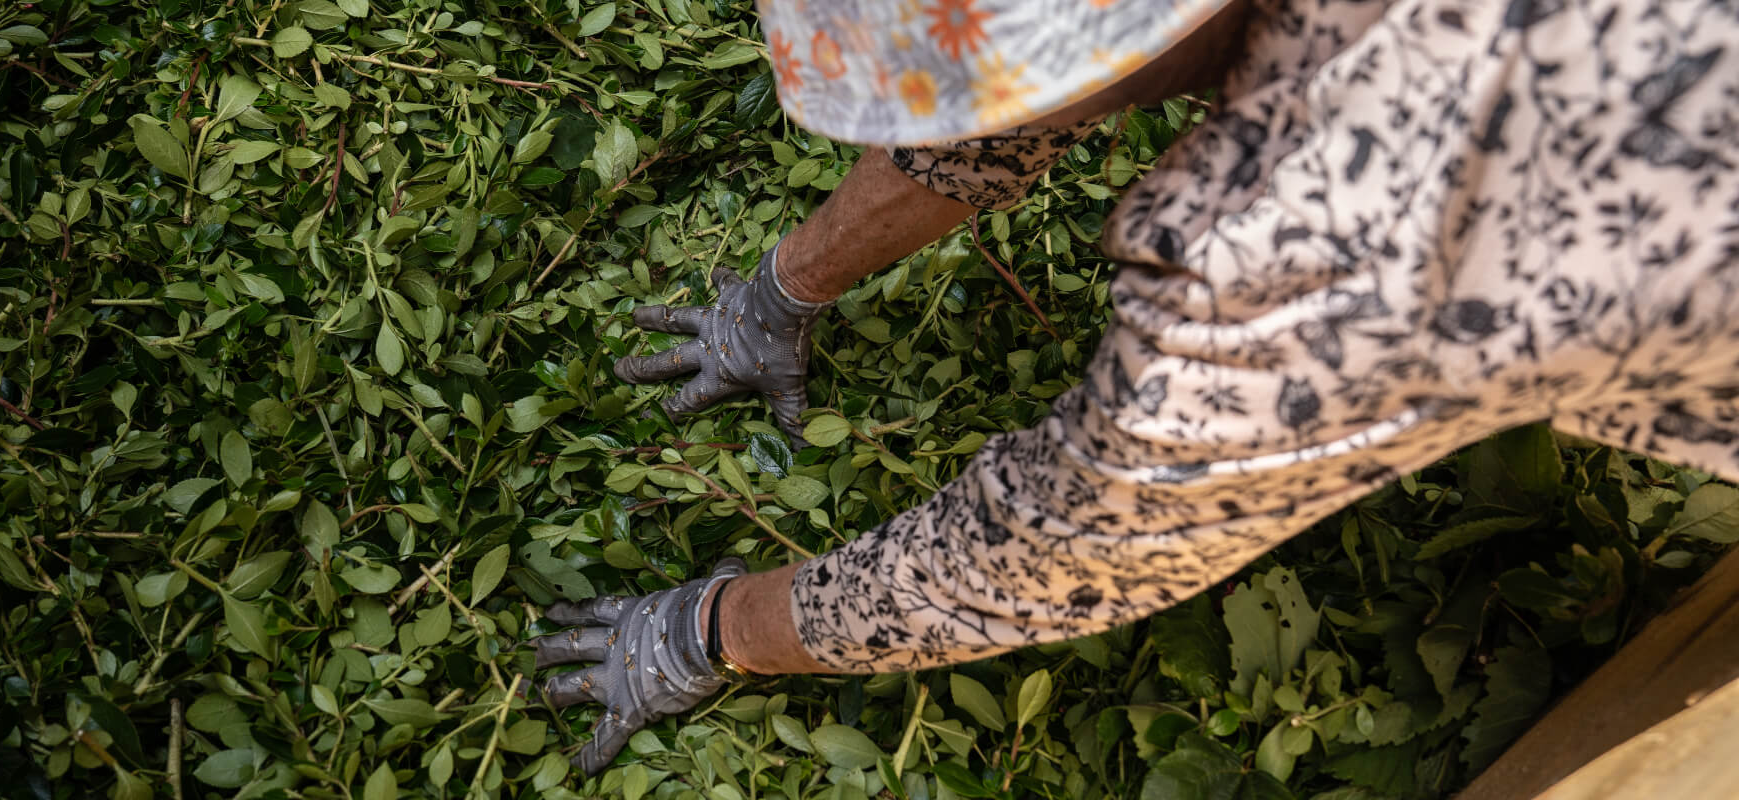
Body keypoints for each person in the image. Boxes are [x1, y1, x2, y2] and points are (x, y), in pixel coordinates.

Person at [528, 0, 1739, 773]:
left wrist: (704, 630)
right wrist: (777, 297)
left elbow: (1041, 554)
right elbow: (1025, 89)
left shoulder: (1298, 246)